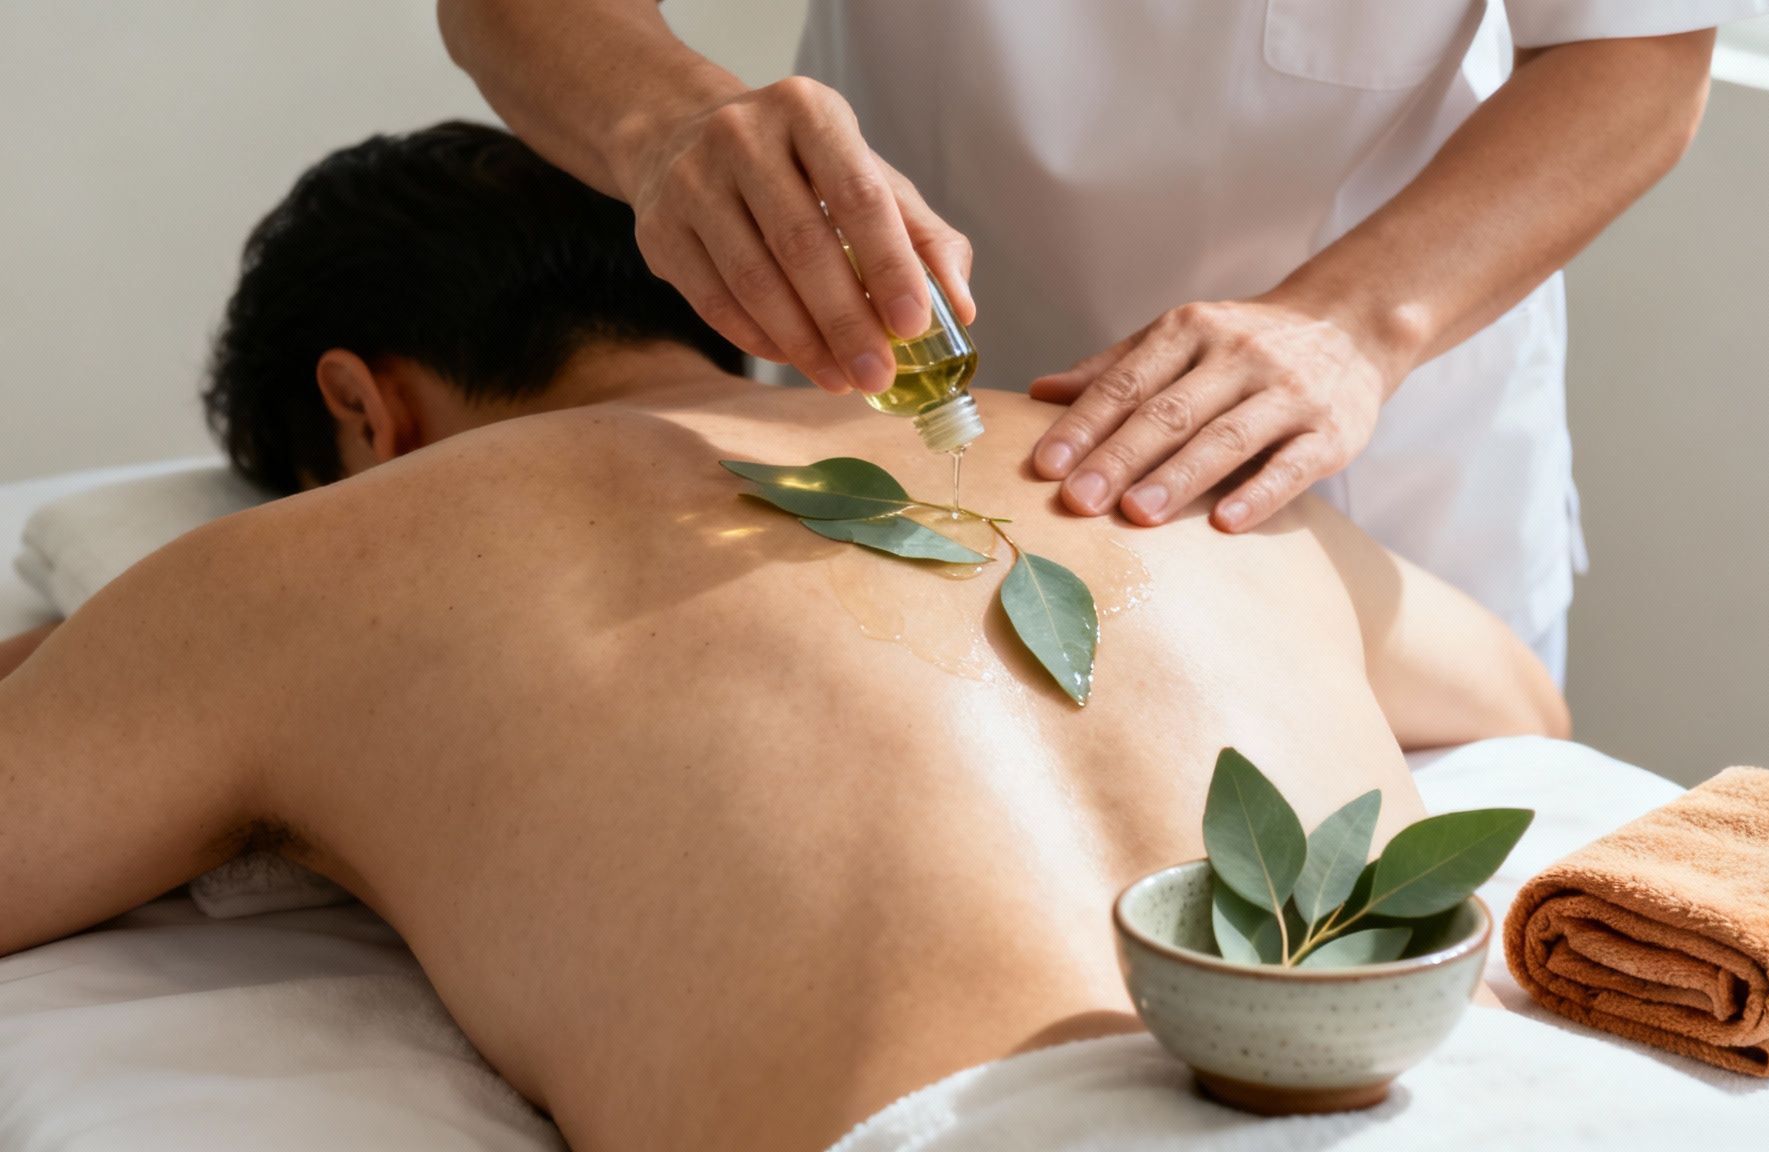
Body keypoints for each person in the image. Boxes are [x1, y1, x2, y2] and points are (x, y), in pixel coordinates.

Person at [0, 125, 1564, 1150]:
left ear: (361, 405)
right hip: (1504, 1111)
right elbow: (1518, 706)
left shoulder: (318, 564)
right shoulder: (1144, 453)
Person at [435, 0, 1769, 682]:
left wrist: (1347, 325)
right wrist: (664, 122)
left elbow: (1638, 57)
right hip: (894, 445)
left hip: (1366, 485)